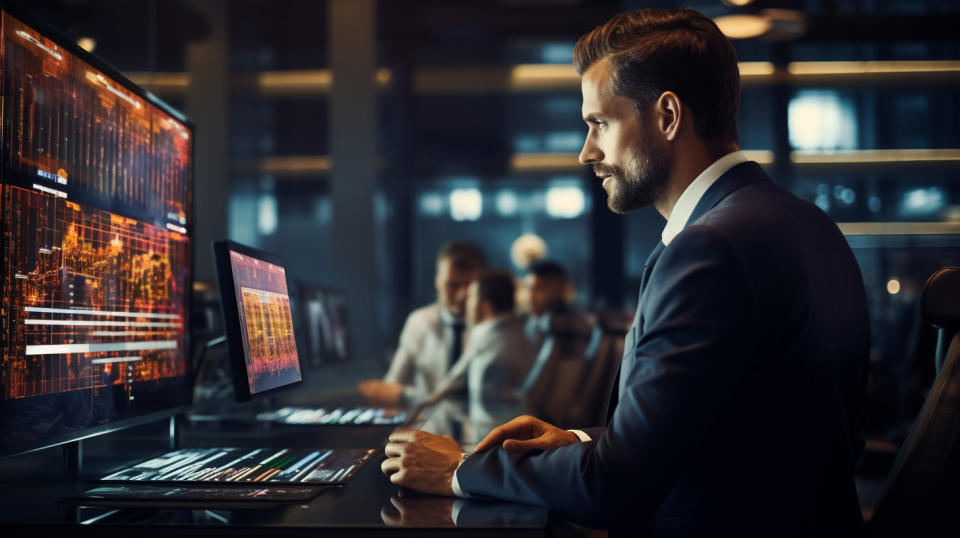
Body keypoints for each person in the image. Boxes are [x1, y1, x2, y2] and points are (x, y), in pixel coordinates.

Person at [380, 8, 870, 536]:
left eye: (599, 124)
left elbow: (616, 487)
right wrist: (581, 442)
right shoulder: (809, 225)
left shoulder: (709, 250)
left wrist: (460, 469)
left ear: (667, 116)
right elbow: (741, 429)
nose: (587, 151)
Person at [358, 241, 485, 407]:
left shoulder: (494, 329)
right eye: (452, 285)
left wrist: (406, 396)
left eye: (469, 285)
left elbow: (489, 398)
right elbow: (392, 388)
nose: (462, 295)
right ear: (437, 282)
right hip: (428, 428)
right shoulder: (419, 322)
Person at [426, 270, 537, 432]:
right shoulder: (524, 333)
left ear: (486, 306)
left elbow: (451, 383)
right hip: (523, 428)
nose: (466, 302)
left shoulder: (486, 336)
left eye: (471, 297)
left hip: (492, 436)